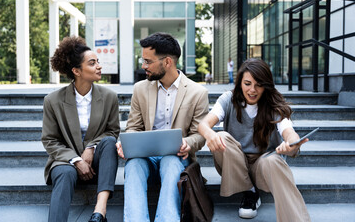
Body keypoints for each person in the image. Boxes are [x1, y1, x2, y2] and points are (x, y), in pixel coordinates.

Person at [198, 58, 311, 221]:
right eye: (247, 83)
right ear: (239, 83)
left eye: (259, 85)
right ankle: (250, 192)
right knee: (221, 136)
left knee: (273, 161)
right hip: (233, 164)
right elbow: (203, 124)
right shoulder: (228, 100)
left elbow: (289, 132)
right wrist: (210, 135)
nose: (252, 90)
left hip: (262, 167)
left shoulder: (273, 105)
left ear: (266, 85)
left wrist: (292, 144)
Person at [116, 32, 209, 222]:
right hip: (145, 158)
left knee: (170, 161)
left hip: (177, 160)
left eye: (148, 61)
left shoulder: (198, 93)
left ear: (167, 62)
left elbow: (200, 134)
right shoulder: (140, 89)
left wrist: (187, 143)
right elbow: (133, 127)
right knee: (133, 165)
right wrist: (125, 143)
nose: (143, 66)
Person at [42, 36, 120, 222]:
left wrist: (91, 147)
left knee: (109, 142)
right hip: (64, 161)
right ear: (76, 70)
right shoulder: (53, 100)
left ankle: (99, 212)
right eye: (92, 63)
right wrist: (76, 160)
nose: (99, 66)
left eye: (98, 62)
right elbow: (50, 140)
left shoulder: (109, 97)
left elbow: (112, 131)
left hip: (98, 162)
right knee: (66, 173)